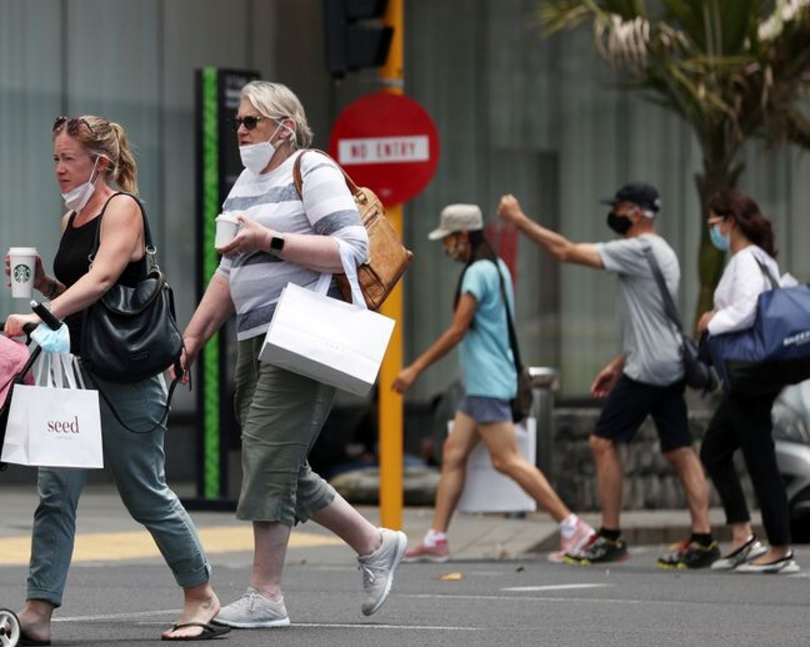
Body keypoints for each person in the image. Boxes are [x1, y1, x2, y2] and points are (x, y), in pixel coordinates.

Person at [180, 80, 407, 630]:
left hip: (304, 332)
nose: (240, 130)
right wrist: (191, 339)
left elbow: (351, 248)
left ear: (284, 127)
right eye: (237, 121)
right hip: (255, 336)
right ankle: (373, 543)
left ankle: (267, 595)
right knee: (275, 456)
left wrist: (269, 240)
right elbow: (228, 270)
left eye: (251, 121)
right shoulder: (244, 185)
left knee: (267, 454)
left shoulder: (313, 168)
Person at [1, 114, 226, 643]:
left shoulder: (122, 208)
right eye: (55, 158)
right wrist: (45, 283)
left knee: (144, 492)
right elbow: (84, 292)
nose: (58, 168)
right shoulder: (71, 218)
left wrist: (41, 313)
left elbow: (103, 279)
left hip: (127, 373)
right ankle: (38, 609)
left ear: (100, 162)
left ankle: (200, 593)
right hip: (74, 370)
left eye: (69, 159)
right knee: (56, 491)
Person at [498, 185, 717, 569]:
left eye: (618, 207)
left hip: (648, 368)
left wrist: (519, 220)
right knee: (679, 449)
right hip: (667, 362)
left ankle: (611, 536)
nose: (613, 213)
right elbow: (653, 319)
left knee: (602, 442)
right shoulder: (663, 251)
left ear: (636, 212)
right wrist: (619, 362)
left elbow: (565, 251)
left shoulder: (637, 250)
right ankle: (703, 538)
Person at [393, 204, 595, 564]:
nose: (446, 248)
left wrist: (415, 369)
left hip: (487, 383)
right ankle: (437, 538)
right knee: (454, 453)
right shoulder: (496, 266)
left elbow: (458, 330)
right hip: (482, 384)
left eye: (448, 239)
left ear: (463, 236)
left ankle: (572, 525)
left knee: (507, 460)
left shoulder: (477, 273)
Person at [698, 190, 799, 574]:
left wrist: (713, 321)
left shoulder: (745, 259)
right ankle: (742, 537)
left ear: (731, 222)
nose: (712, 231)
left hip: (750, 375)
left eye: (714, 223)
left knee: (760, 459)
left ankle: (780, 548)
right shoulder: (760, 258)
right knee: (715, 450)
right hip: (758, 374)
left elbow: (749, 308)